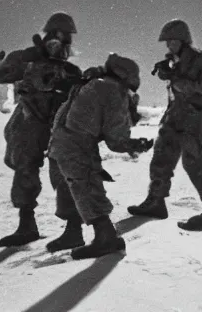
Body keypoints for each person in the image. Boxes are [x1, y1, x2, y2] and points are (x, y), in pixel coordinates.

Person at [45, 54, 154, 259]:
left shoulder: (93, 83)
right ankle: (98, 236)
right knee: (83, 184)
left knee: (73, 185)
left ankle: (100, 236)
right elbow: (116, 136)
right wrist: (132, 144)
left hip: (60, 141)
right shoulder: (113, 89)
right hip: (76, 143)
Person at [127, 19, 202, 231]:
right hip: (176, 113)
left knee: (194, 162)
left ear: (183, 41)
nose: (168, 46)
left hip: (195, 116)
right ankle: (156, 201)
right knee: (161, 156)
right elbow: (176, 81)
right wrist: (168, 73)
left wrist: (186, 84)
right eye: (167, 42)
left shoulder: (201, 60)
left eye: (172, 41)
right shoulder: (176, 60)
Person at [0, 12, 83, 247]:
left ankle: (74, 229)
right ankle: (26, 226)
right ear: (46, 37)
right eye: (55, 37)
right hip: (29, 123)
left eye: (65, 40)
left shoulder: (71, 71)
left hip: (58, 125)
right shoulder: (26, 60)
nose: (60, 44)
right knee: (24, 169)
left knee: (64, 172)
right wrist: (23, 57)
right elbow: (1, 76)